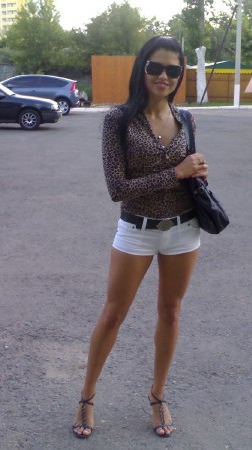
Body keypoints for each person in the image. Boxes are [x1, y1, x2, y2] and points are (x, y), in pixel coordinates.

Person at [72, 36, 208, 439]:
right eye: (155, 67)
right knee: (113, 314)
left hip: (184, 229)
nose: (164, 76)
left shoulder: (187, 119)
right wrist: (176, 173)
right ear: (141, 69)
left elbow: (190, 173)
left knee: (171, 313)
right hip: (137, 230)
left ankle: (157, 395)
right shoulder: (118, 120)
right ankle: (86, 397)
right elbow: (117, 188)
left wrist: (197, 172)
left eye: (173, 69)